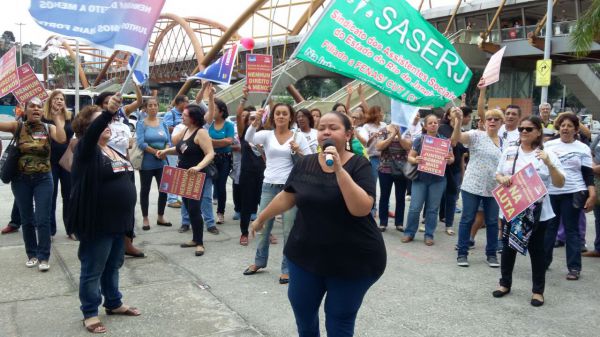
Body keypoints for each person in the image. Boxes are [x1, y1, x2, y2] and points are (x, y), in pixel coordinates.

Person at [250, 111, 386, 337]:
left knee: (338, 321)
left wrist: (339, 171)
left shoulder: (359, 165)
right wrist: (261, 218)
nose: (326, 132)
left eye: (333, 128)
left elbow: (361, 208)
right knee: (304, 318)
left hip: (352, 261)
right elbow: (288, 195)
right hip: (305, 257)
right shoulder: (305, 163)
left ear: (348, 134)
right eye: (322, 127)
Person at [68, 98, 140, 334]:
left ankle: (114, 302)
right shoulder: (84, 150)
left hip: (119, 221)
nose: (106, 124)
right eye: (98, 121)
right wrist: (107, 113)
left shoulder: (112, 149)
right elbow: (90, 138)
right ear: (88, 129)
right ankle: (90, 312)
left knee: (114, 264)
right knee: (93, 267)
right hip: (97, 221)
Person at [493, 116, 565, 307]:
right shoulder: (510, 150)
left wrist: (549, 163)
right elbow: (498, 173)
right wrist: (502, 179)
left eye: (529, 129)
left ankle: (538, 291)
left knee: (537, 251)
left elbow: (559, 182)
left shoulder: (546, 154)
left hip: (538, 211)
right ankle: (504, 284)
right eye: (521, 129)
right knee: (508, 249)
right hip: (512, 207)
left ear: (538, 132)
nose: (524, 132)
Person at [243, 103, 311, 284]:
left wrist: (299, 150)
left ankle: (287, 268)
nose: (281, 116)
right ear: (273, 117)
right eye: (278, 114)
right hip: (269, 186)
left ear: (291, 117)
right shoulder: (266, 135)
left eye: (285, 114)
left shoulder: (299, 137)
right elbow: (248, 137)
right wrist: (255, 122)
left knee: (288, 230)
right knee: (263, 225)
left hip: (290, 189)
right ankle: (259, 262)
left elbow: (309, 160)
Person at [0, 97, 66, 271]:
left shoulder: (48, 127)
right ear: (26, 109)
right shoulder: (18, 127)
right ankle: (32, 254)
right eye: (32, 106)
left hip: (44, 178)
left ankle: (44, 256)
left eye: (39, 107)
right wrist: (16, 117)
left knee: (43, 219)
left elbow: (61, 139)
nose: (36, 109)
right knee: (27, 219)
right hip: (20, 180)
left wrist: (58, 119)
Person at [157, 104, 215, 256]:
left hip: (196, 176)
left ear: (194, 118)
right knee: (189, 208)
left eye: (185, 115)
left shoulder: (201, 132)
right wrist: (165, 151)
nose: (182, 117)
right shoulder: (185, 130)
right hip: (183, 175)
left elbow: (210, 153)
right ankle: (195, 239)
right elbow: (179, 149)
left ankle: (200, 243)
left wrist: (198, 167)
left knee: (195, 209)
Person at [544, 113, 595, 281]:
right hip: (551, 192)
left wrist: (591, 193)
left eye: (569, 126)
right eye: (563, 125)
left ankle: (574, 267)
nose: (565, 128)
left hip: (574, 192)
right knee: (549, 229)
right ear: (559, 127)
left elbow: (587, 174)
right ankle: (543, 262)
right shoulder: (549, 145)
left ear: (575, 129)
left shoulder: (583, 148)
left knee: (571, 230)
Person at [451, 107, 504, 267]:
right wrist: (459, 121)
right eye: (489, 119)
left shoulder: (505, 142)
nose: (492, 121)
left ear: (501, 123)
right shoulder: (476, 135)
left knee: (493, 222)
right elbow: (457, 138)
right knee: (467, 219)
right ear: (484, 122)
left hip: (494, 188)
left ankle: (491, 254)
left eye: (496, 119)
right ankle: (462, 253)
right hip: (472, 186)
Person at [402, 114, 454, 245]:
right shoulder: (419, 140)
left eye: (435, 122)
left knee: (432, 209)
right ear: (425, 126)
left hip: (438, 180)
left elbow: (452, 158)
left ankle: (429, 235)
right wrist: (416, 159)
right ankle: (409, 233)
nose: (433, 125)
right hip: (420, 179)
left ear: (438, 124)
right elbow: (410, 157)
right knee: (415, 207)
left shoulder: (444, 141)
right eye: (430, 123)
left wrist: (449, 160)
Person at [136, 97, 172, 231]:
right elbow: (141, 143)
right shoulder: (141, 123)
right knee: (145, 190)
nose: (153, 107)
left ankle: (160, 216)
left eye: (155, 105)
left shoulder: (163, 123)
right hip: (147, 162)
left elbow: (168, 140)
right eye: (150, 105)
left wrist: (165, 150)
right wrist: (156, 152)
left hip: (162, 162)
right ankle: (145, 218)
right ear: (145, 108)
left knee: (164, 189)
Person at [42, 90, 74, 238]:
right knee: (51, 195)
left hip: (66, 160)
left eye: (61, 99)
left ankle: (71, 229)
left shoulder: (69, 117)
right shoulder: (45, 118)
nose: (59, 101)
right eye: (56, 99)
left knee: (68, 195)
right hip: (50, 161)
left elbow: (73, 136)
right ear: (50, 101)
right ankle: (50, 229)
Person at [205, 90, 235, 224]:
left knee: (221, 185)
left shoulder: (229, 125)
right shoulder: (209, 124)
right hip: (211, 158)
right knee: (208, 185)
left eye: (215, 109)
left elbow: (229, 141)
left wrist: (211, 141)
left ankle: (220, 212)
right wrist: (218, 142)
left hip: (224, 159)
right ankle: (206, 212)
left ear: (222, 111)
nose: (212, 111)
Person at [376, 123, 411, 231]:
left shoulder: (406, 130)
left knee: (400, 197)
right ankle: (383, 222)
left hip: (401, 169)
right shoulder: (383, 130)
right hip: (385, 168)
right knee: (384, 196)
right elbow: (379, 147)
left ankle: (399, 223)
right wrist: (392, 136)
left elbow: (408, 146)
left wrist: (399, 135)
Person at [162, 94, 190, 209]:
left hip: (184, 149)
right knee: (171, 172)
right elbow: (166, 128)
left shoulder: (187, 114)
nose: (188, 104)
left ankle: (178, 197)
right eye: (186, 101)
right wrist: (182, 127)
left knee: (180, 173)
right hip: (173, 148)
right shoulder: (170, 114)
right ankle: (172, 199)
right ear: (180, 103)